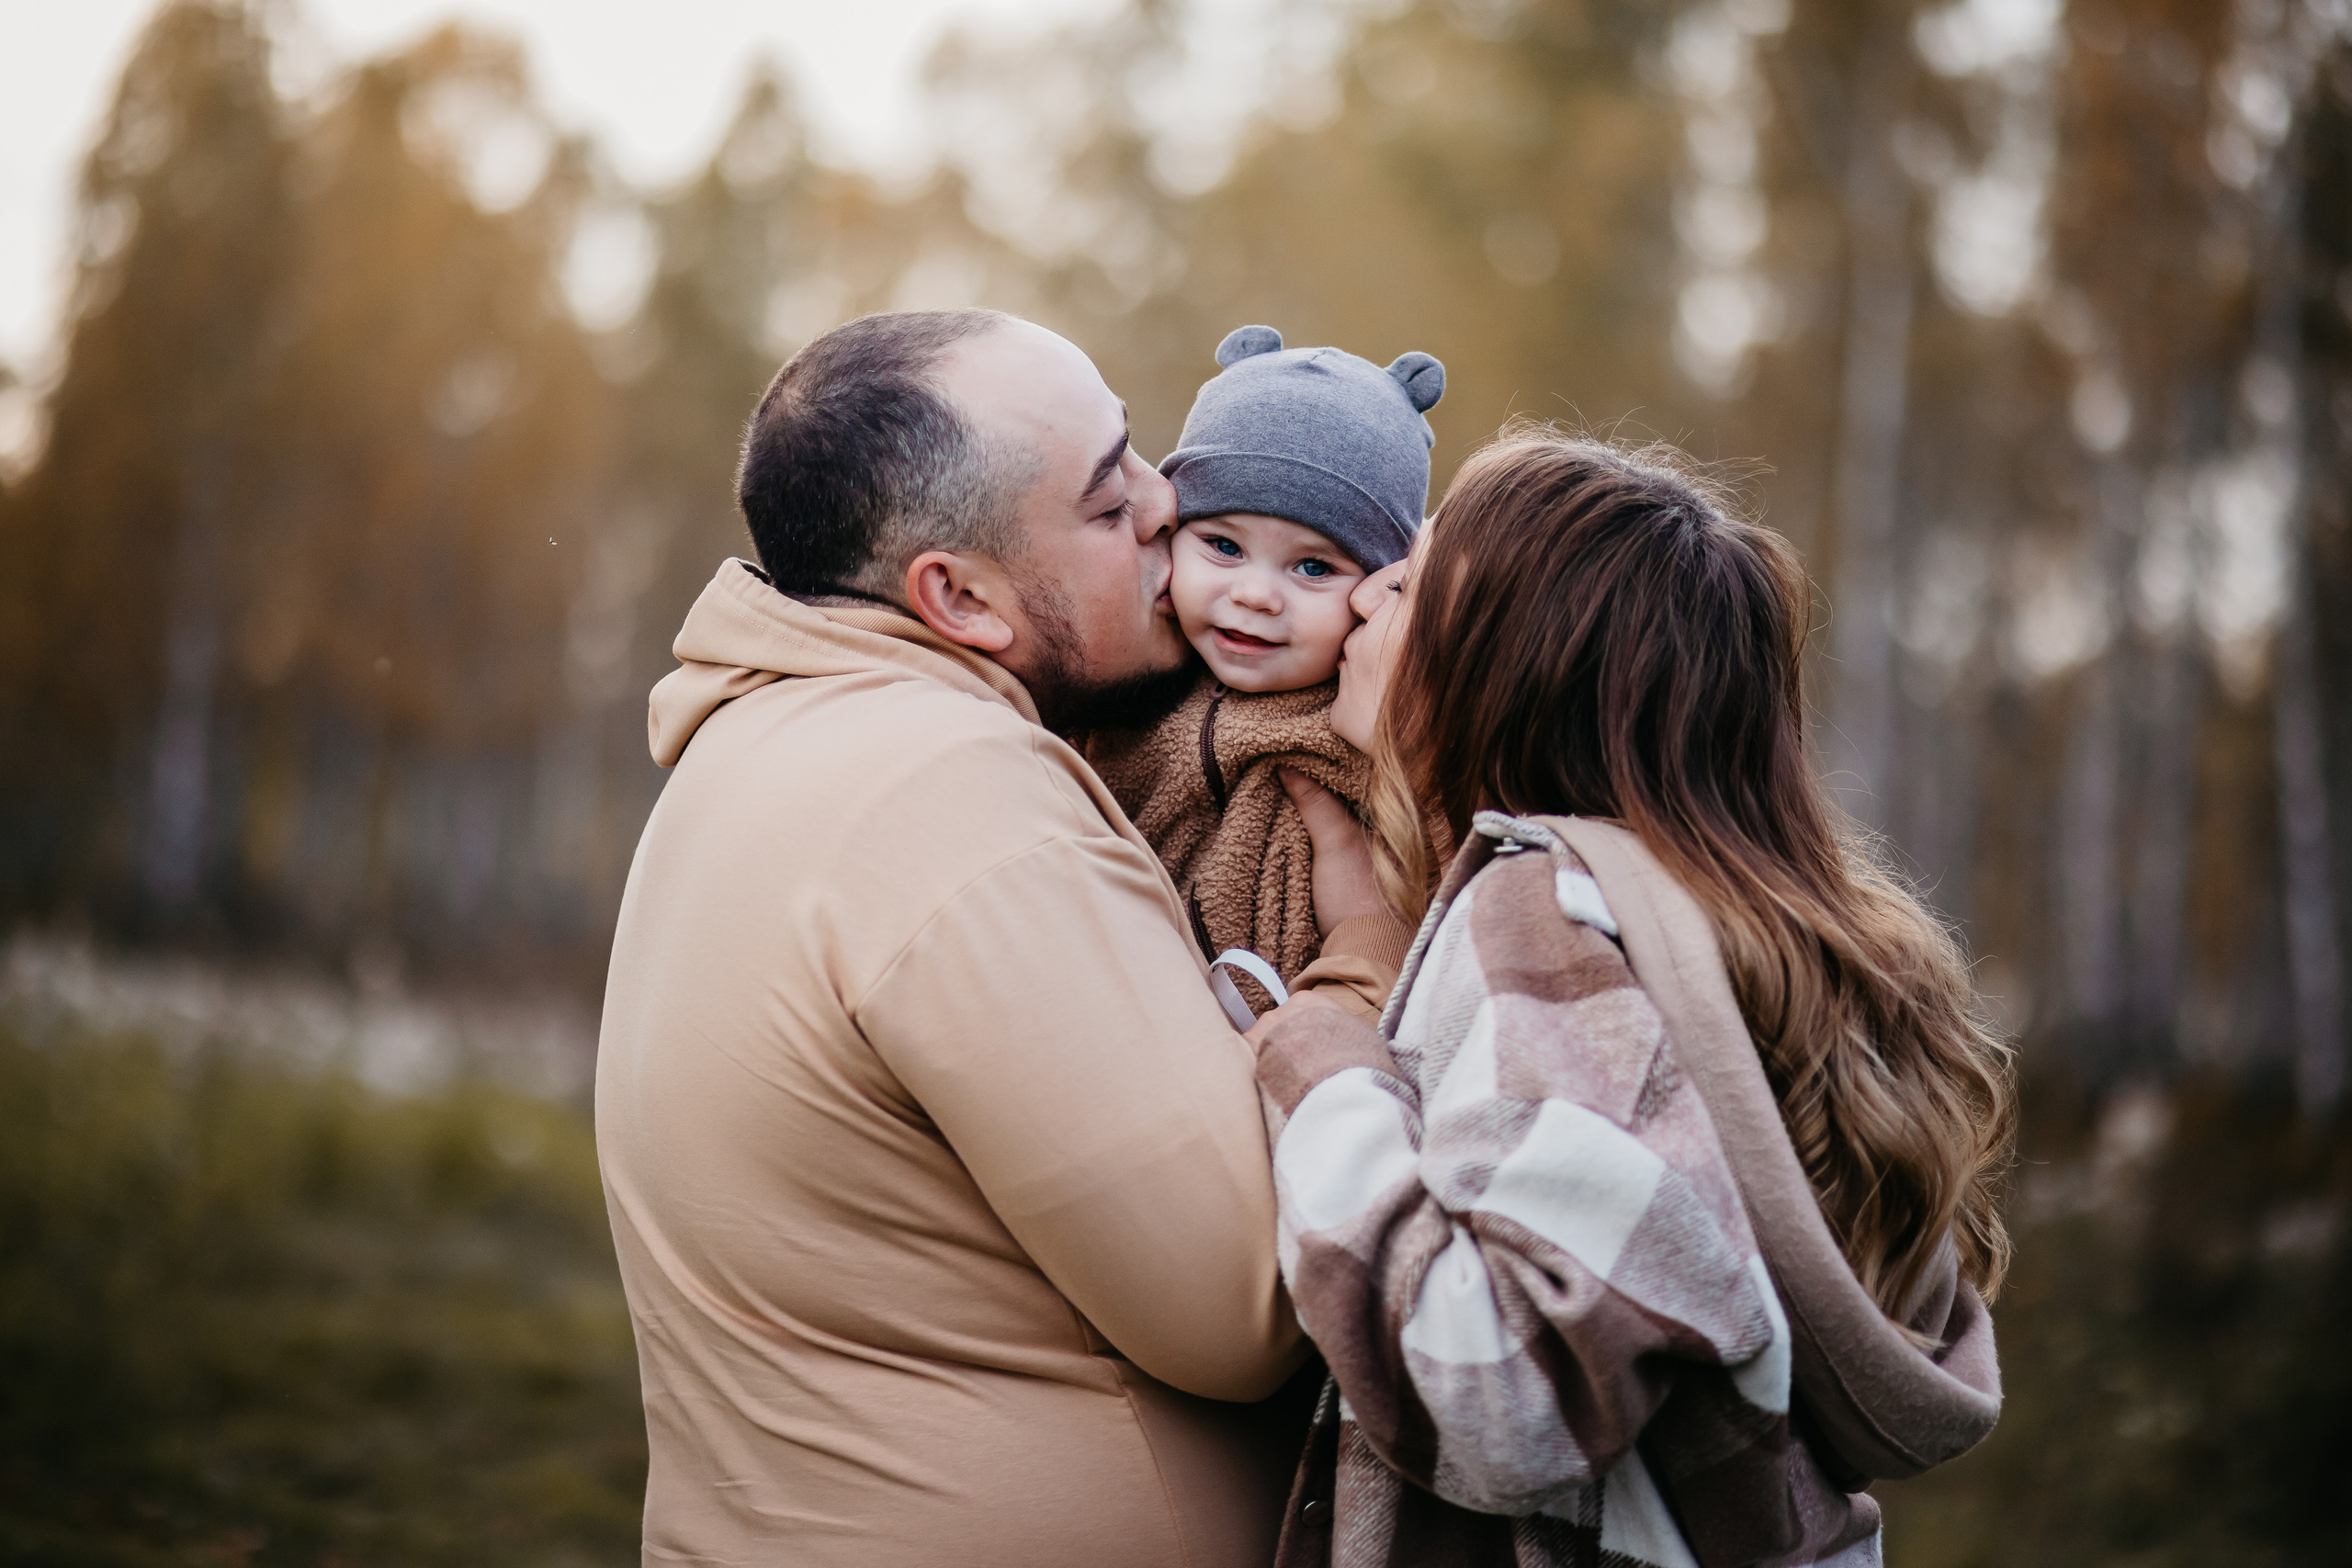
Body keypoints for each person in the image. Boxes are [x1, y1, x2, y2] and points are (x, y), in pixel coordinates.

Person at [593, 308, 1413, 1568]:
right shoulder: (955, 793)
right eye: (1104, 502)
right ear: (959, 597)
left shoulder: (773, 731)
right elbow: (1245, 1300)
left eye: (1138, 451)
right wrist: (1366, 949)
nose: (1166, 505)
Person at [1248, 426, 2016, 1567]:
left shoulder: (1545, 911)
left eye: (1408, 583)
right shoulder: (1705, 931)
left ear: (1495, 665)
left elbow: (1514, 1397)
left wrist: (1322, 1061)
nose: (1358, 606)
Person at [1085, 325, 1444, 1002]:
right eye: (1222, 544)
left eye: (1313, 566)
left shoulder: (1371, 728)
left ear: (1381, 583)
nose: (1254, 594)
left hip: (1300, 1045)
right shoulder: (1118, 681)